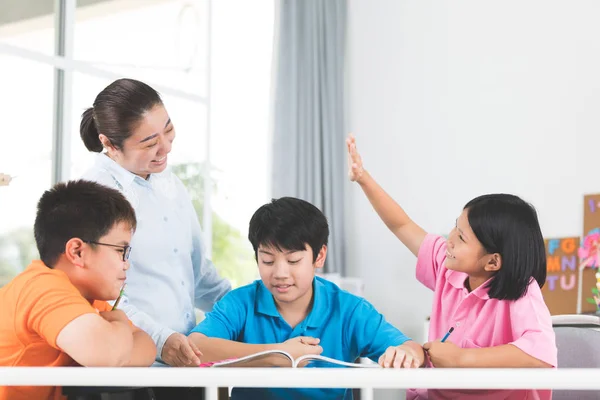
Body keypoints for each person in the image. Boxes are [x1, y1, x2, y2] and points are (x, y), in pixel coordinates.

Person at [346, 134, 557, 400]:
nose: (449, 239)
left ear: (493, 261)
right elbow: (401, 225)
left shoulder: (522, 292)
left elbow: (539, 354)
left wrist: (463, 358)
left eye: (462, 237)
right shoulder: (450, 268)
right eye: (455, 227)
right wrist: (363, 178)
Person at [188, 197, 424, 400]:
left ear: (319, 256)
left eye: (293, 261)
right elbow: (195, 347)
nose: (280, 273)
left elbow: (412, 348)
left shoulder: (348, 309)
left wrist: (408, 354)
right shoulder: (240, 303)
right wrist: (278, 355)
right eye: (267, 260)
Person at [79, 78, 231, 372]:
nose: (165, 149)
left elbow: (199, 275)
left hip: (187, 360)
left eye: (169, 130)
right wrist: (162, 340)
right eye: (149, 143)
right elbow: (100, 297)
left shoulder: (168, 182)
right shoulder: (94, 195)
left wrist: (250, 313)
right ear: (109, 143)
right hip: (134, 367)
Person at [0, 180, 156, 400]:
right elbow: (107, 353)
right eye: (121, 250)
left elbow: (147, 346)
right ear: (77, 251)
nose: (126, 263)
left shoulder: (86, 298)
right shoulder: (42, 288)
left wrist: (114, 351)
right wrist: (119, 322)